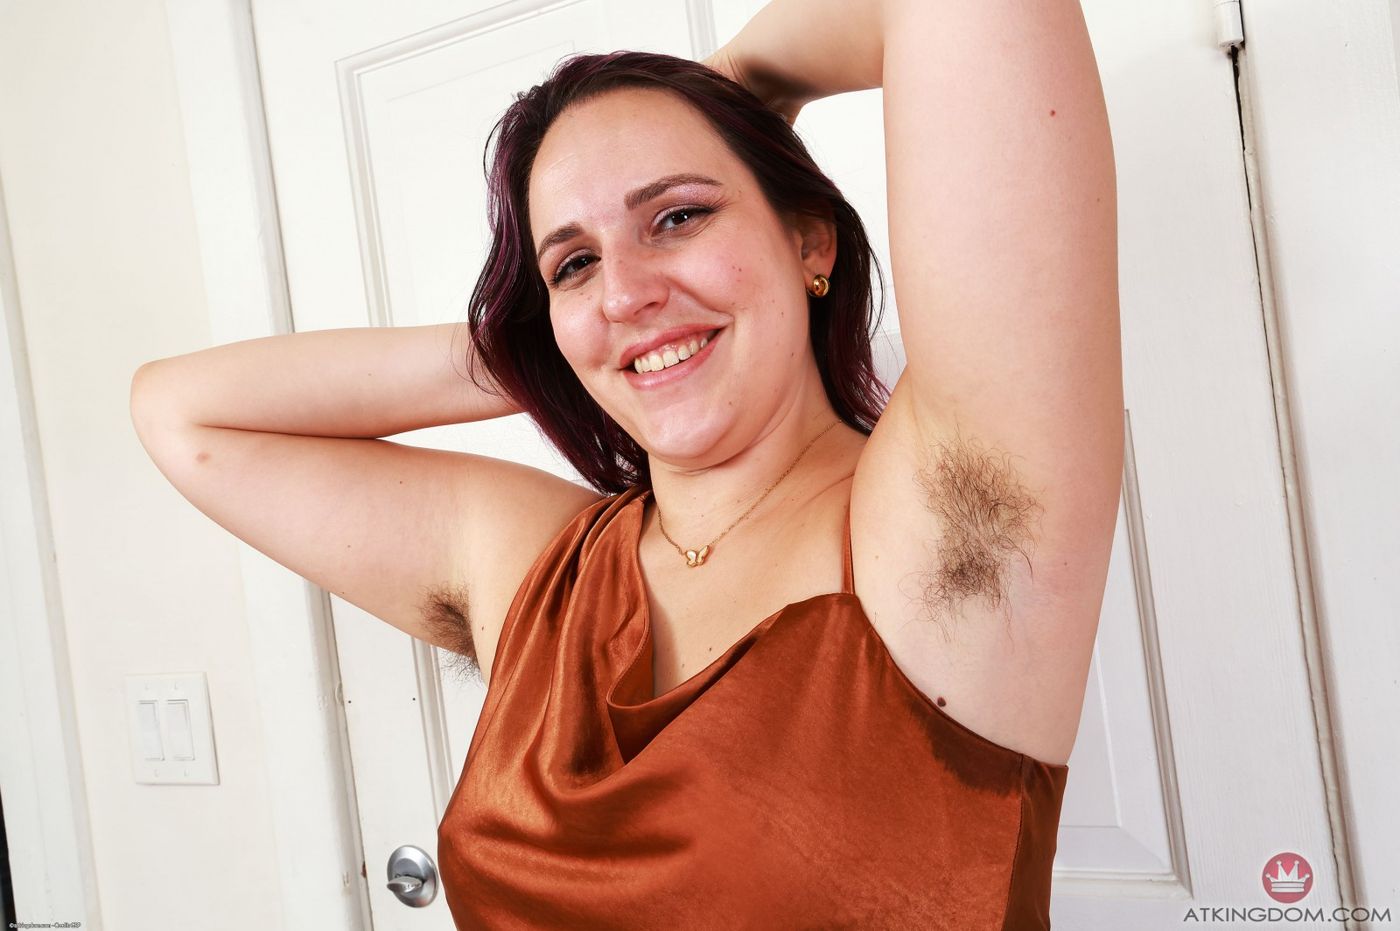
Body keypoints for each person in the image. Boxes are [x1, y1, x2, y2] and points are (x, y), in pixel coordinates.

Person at [131, 0, 1119, 926]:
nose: (624, 292)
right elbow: (183, 416)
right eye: (573, 264)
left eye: (678, 216)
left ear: (808, 242)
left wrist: (739, 79)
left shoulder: (951, 517)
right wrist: (541, 348)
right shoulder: (537, 568)